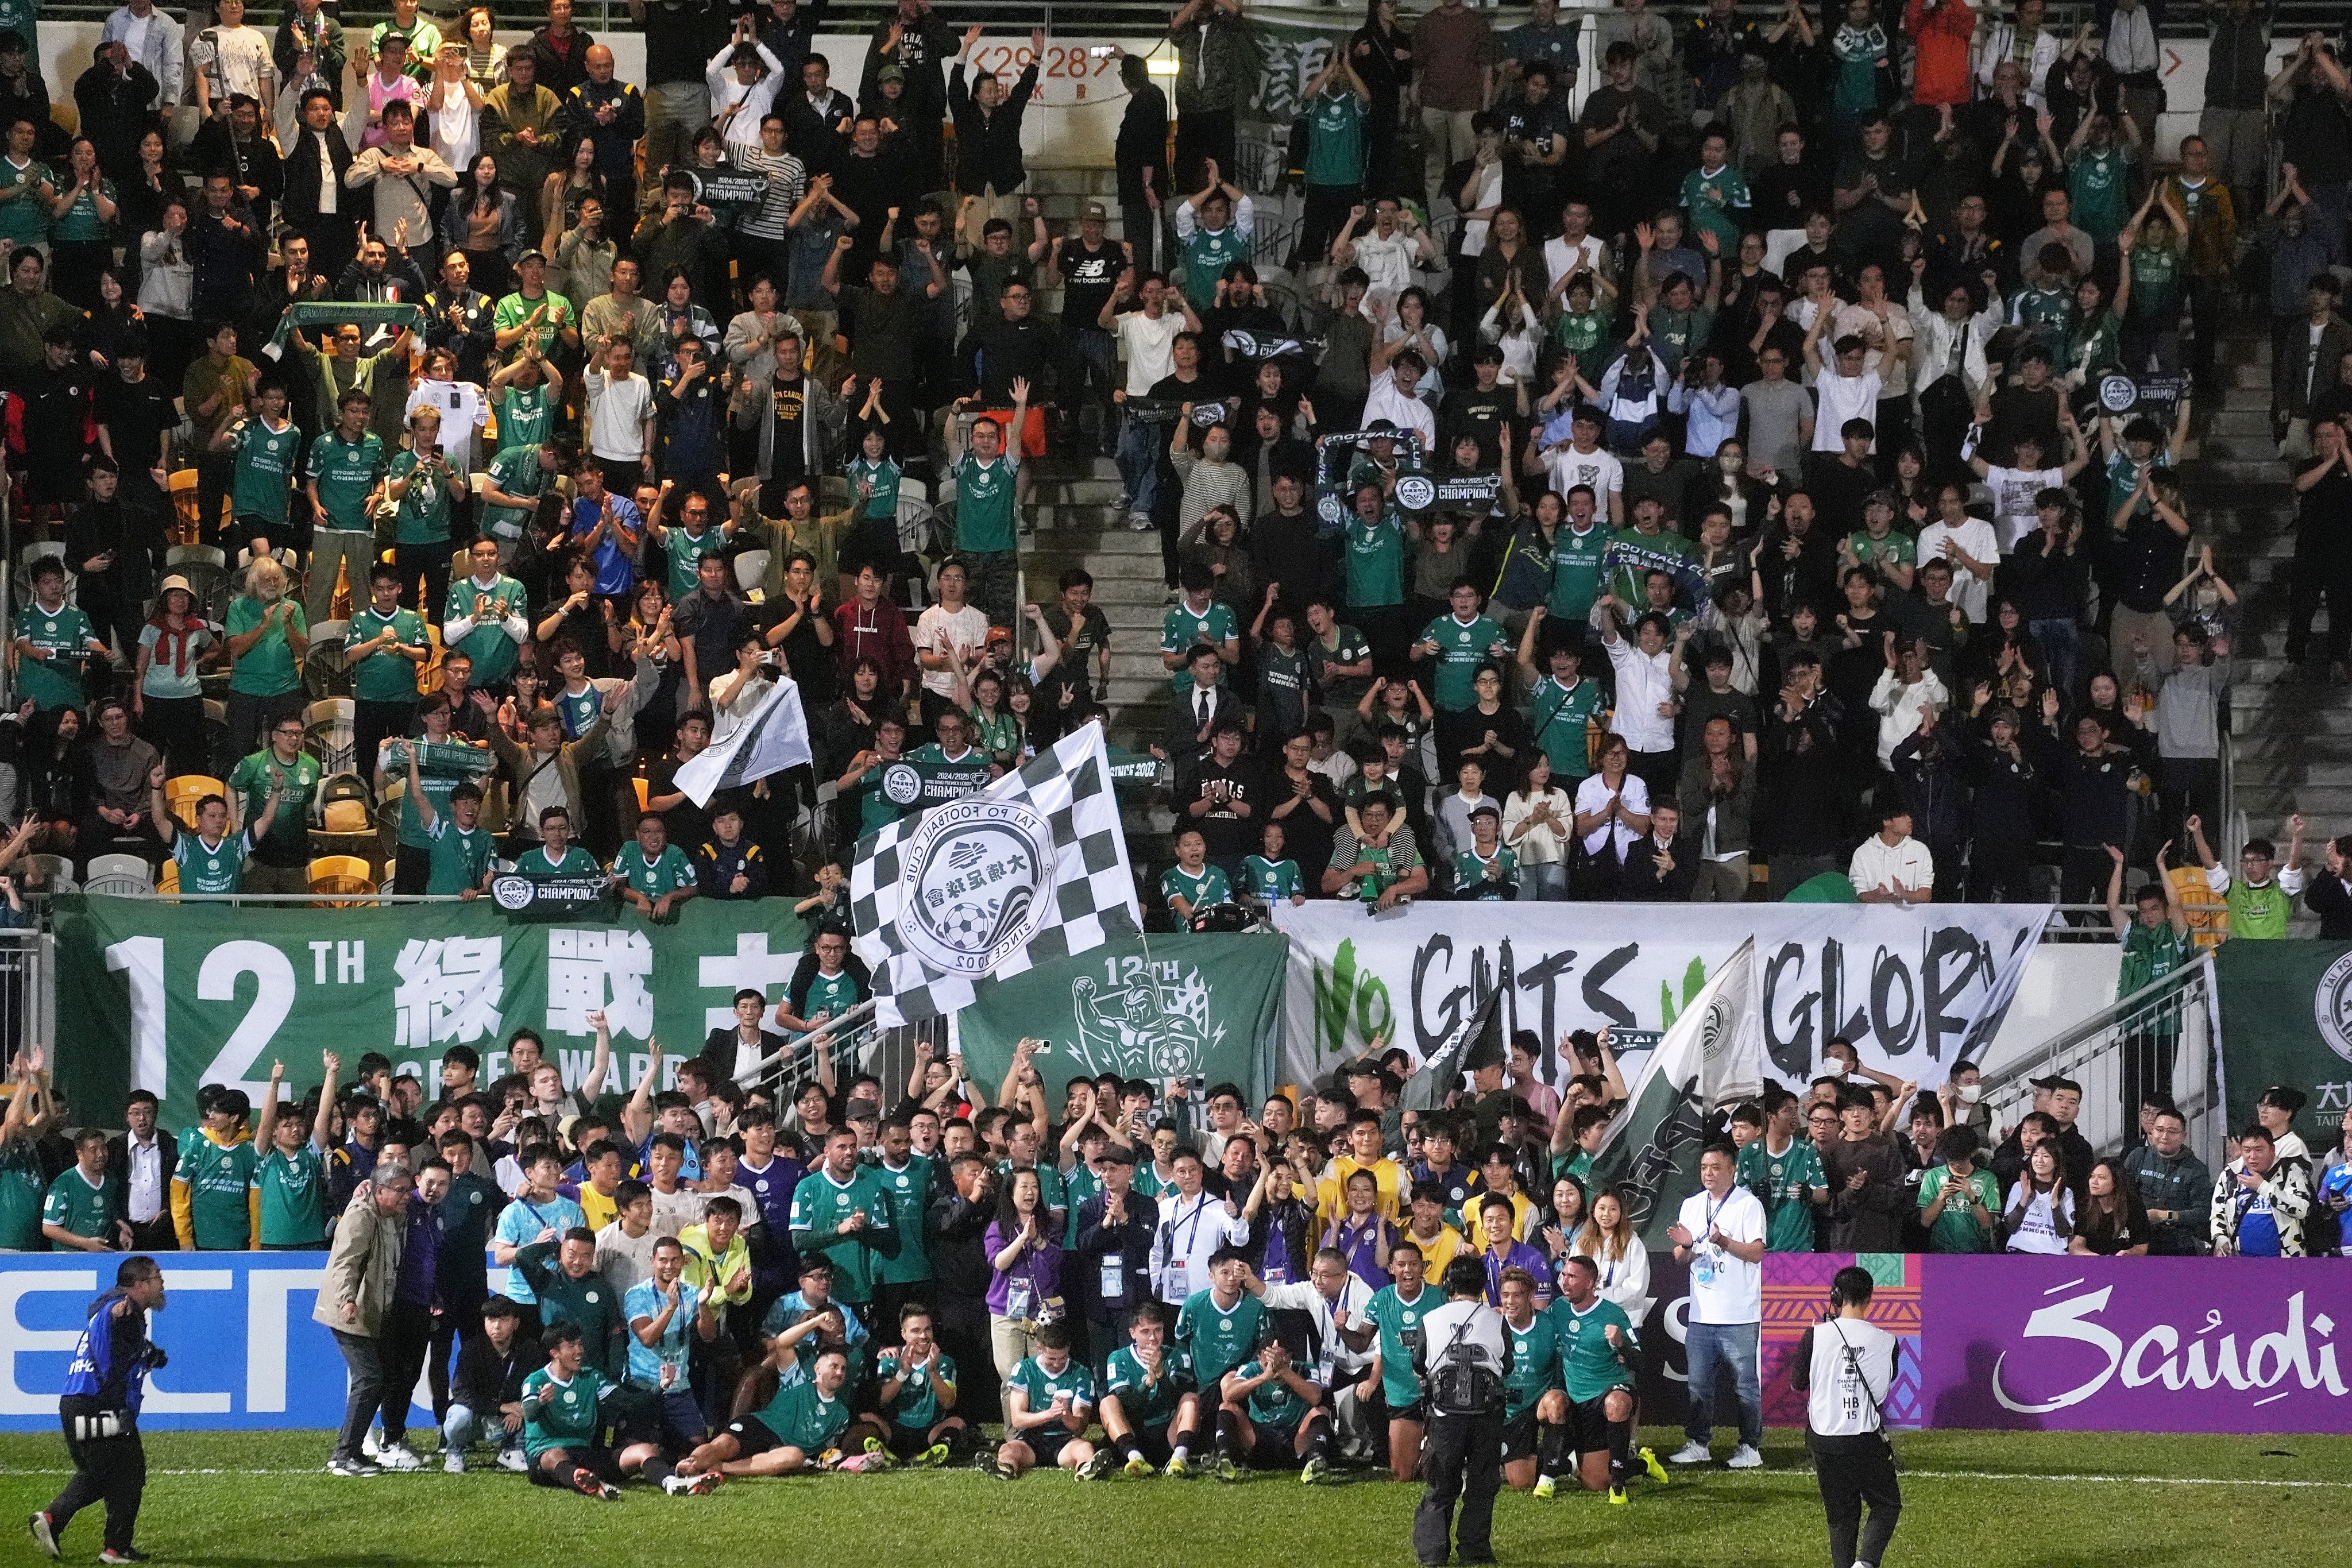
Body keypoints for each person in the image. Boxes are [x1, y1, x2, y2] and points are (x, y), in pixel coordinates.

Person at [30, 1256, 167, 1563]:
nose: (163, 1283)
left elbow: (120, 1349)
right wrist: (120, 1406)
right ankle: (108, 1545)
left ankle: (70, 1529)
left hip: (77, 1403)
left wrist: (149, 1354)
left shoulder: (118, 1310)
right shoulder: (122, 1309)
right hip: (97, 1403)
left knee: (106, 1472)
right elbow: (112, 1348)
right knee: (128, 1471)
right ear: (140, 1286)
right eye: (157, 1277)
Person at [1793, 1265, 1902, 1568]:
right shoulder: (1888, 1341)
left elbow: (1797, 1384)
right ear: (1870, 1298)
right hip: (1863, 1437)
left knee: (1840, 1515)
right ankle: (1866, 1564)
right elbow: (1881, 1391)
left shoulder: (1814, 1336)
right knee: (1886, 1504)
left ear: (1835, 1297)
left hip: (1824, 1437)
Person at [1665, 1144, 1764, 1469]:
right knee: (1699, 1384)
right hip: (1702, 1314)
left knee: (1746, 1385)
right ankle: (1698, 1443)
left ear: (1732, 1169)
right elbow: (1681, 1259)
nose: (1708, 1173)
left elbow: (1756, 1253)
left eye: (1716, 1167)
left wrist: (1723, 1242)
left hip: (1739, 1313)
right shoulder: (1692, 1205)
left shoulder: (1748, 1205)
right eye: (1705, 1167)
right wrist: (1688, 1246)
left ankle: (1750, 1447)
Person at [315, 1161, 414, 1477]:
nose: (406, 1196)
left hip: (369, 1313)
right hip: (350, 1313)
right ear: (380, 1190)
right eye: (400, 1190)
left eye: (407, 1190)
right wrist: (346, 1300)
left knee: (376, 1378)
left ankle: (352, 1452)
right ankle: (344, 1456)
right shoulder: (361, 1216)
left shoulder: (388, 1216)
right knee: (370, 1378)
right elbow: (346, 1262)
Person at [1410, 1254, 1508, 1568]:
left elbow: (1419, 1363)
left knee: (1440, 1484)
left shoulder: (1431, 1318)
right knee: (1482, 1484)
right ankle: (1475, 1550)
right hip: (1486, 1414)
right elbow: (1507, 1365)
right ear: (1482, 1287)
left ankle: (1433, 1553)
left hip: (1444, 1414)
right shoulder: (1498, 1320)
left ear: (1448, 1285)